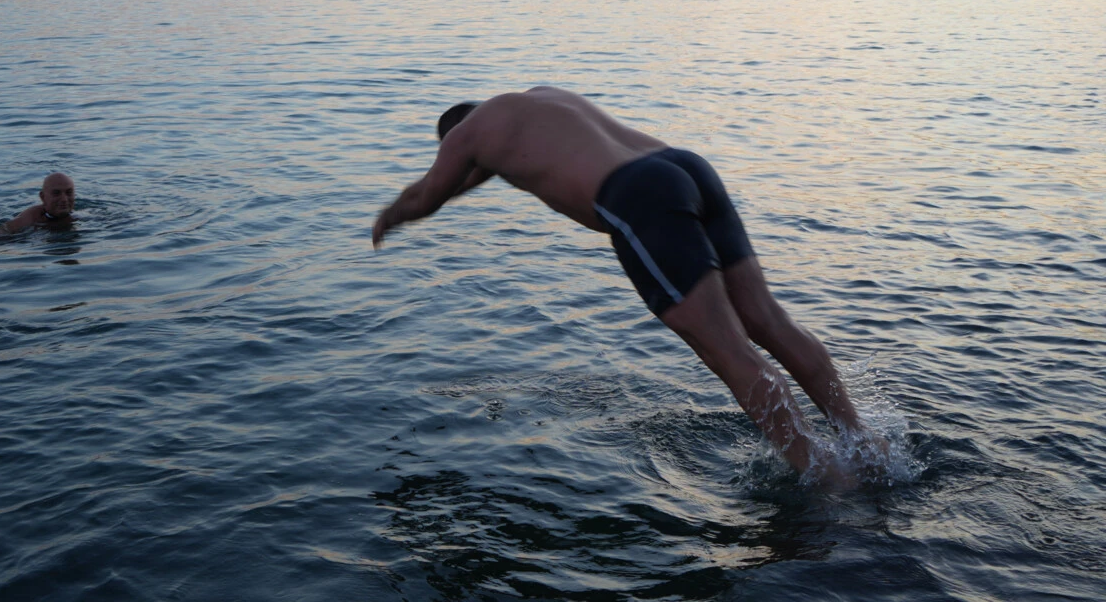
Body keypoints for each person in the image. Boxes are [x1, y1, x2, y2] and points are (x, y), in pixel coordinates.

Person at [372, 86, 882, 487]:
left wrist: (388, 218)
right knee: (768, 320)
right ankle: (865, 444)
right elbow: (476, 174)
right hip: (685, 167)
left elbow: (428, 195)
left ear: (455, 138)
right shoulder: (538, 101)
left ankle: (827, 479)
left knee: (727, 350)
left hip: (638, 196)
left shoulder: (466, 137)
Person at [0, 172, 76, 233]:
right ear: (43, 197)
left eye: (69, 192)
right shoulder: (30, 218)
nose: (64, 199)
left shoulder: (77, 216)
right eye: (56, 193)